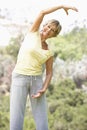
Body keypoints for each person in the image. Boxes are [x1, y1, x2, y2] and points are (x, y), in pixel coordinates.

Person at [10, 5, 78, 130]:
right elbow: (42, 12)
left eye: (52, 29)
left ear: (54, 34)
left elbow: (49, 73)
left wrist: (44, 88)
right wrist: (62, 6)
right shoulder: (32, 32)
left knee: (42, 120)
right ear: (43, 25)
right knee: (16, 118)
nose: (47, 29)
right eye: (47, 26)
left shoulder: (49, 52)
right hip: (19, 77)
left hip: (37, 81)